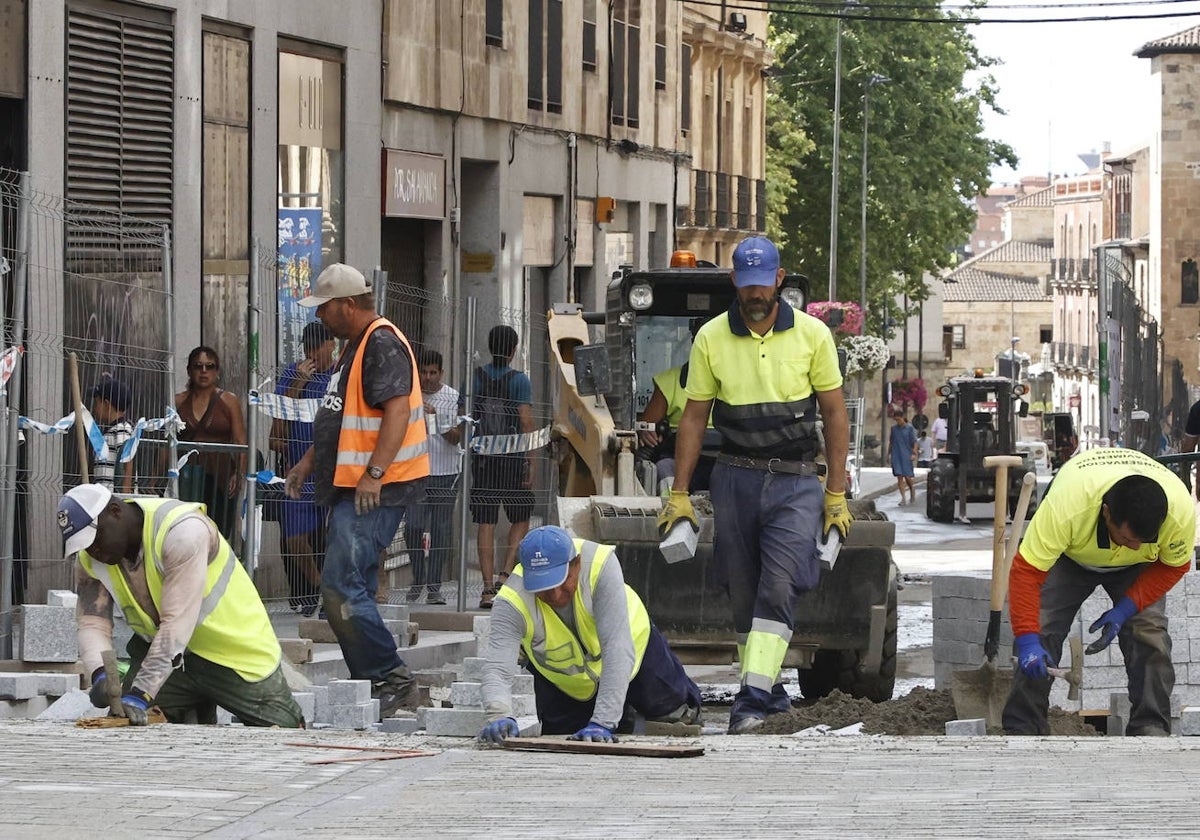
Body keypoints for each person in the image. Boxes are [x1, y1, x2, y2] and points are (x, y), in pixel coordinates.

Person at [656, 235, 851, 734]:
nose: (756, 295)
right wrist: (679, 493)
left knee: (779, 583)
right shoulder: (710, 339)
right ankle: (772, 691)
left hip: (795, 480)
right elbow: (695, 418)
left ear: (779, 281)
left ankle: (752, 697)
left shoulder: (812, 336)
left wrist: (836, 493)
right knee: (742, 593)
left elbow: (833, 414)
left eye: (764, 285)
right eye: (747, 286)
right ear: (735, 284)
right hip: (735, 477)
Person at [285, 263, 430, 717]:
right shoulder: (354, 347)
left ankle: (391, 679)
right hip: (355, 484)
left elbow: (397, 413)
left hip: (375, 488)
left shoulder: (380, 343)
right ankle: (373, 683)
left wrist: (374, 473)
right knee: (354, 585)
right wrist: (310, 461)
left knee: (340, 587)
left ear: (348, 304)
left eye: (325, 308)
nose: (320, 318)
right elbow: (340, 414)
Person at [59, 483, 303, 727]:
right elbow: (92, 622)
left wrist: (141, 693)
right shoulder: (90, 558)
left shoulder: (182, 532)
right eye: (85, 545)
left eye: (96, 538)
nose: (94, 550)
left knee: (283, 729)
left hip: (232, 653)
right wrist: (100, 673)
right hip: (166, 658)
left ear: (115, 511)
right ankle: (194, 710)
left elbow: (176, 624)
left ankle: (202, 704)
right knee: (129, 725)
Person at [1002, 447, 1196, 736]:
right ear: (1107, 513)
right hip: (1070, 556)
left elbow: (1173, 566)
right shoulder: (1067, 506)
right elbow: (1026, 573)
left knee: (1150, 632)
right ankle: (1024, 729)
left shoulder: (1178, 512)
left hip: (1140, 568)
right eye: (1128, 538)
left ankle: (1150, 727)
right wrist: (1029, 640)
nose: (1134, 545)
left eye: (1144, 539)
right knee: (1042, 627)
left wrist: (1126, 608)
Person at [477, 525, 702, 744]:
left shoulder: (599, 565)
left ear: (576, 564)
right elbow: (498, 668)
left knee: (673, 713)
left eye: (561, 581)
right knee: (563, 741)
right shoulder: (511, 601)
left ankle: (631, 712)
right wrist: (499, 716)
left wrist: (603, 721)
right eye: (543, 587)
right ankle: (621, 718)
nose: (555, 595)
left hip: (635, 650)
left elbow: (617, 649)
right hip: (567, 684)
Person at [467, 324, 536, 609]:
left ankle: (486, 589)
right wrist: (531, 463)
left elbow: (464, 415)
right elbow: (526, 422)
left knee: (486, 521)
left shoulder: (476, 377)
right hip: (511, 459)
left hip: (483, 460)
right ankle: (505, 575)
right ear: (513, 350)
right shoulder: (520, 381)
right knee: (521, 515)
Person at [270, 321, 335, 615]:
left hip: (333, 469)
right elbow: (279, 418)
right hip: (298, 470)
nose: (312, 355)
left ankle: (326, 596)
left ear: (330, 345)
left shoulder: (339, 376)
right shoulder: (292, 374)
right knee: (295, 537)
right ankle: (319, 587)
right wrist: (299, 382)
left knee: (331, 536)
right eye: (307, 349)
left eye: (317, 348)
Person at [404, 349, 462, 605]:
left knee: (440, 530)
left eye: (432, 373)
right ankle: (418, 577)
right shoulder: (408, 395)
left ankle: (434, 586)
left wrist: (434, 418)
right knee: (413, 527)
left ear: (441, 373)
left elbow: (456, 438)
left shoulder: (452, 397)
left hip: (445, 473)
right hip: (415, 472)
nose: (427, 378)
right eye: (423, 372)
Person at [175, 346, 247, 542]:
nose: (204, 371)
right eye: (198, 366)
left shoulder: (228, 401)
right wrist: (157, 480)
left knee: (218, 537)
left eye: (210, 366)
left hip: (221, 480)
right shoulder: (179, 402)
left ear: (217, 371)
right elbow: (169, 442)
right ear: (189, 370)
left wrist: (238, 474)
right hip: (188, 479)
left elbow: (241, 442)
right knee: (187, 535)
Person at [637, 317, 715, 491]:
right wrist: (645, 432)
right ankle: (671, 514)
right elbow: (646, 425)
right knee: (665, 470)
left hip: (726, 461)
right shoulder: (669, 381)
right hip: (679, 460)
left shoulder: (739, 381)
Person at [91, 376, 134, 493]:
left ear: (106, 404)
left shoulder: (122, 429)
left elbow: (127, 462)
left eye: (96, 403)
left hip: (114, 500)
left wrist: (124, 497)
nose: (94, 409)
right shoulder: (113, 430)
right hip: (105, 497)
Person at [890, 410, 917, 505]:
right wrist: (888, 454)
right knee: (899, 477)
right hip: (896, 454)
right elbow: (891, 442)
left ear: (903, 418)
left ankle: (912, 490)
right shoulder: (894, 429)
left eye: (899, 419)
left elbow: (914, 442)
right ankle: (903, 498)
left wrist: (914, 454)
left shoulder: (909, 428)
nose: (898, 422)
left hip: (906, 454)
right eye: (896, 420)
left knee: (907, 476)